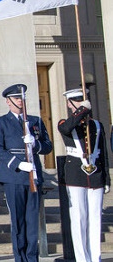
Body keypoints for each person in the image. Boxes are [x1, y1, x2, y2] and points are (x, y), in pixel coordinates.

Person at [0, 84, 53, 262]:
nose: (20, 101)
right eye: (17, 98)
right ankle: (20, 257)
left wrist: (36, 144)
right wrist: (18, 164)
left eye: (22, 98)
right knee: (18, 221)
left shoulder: (35, 121)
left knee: (32, 221)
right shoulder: (1, 121)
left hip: (33, 176)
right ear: (8, 101)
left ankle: (32, 258)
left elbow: (48, 146)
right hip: (14, 176)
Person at [58, 88, 110, 262]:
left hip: (95, 174)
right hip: (75, 175)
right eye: (77, 101)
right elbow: (67, 128)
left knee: (95, 218)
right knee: (79, 218)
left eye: (83, 100)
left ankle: (96, 257)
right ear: (69, 104)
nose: (81, 103)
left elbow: (103, 153)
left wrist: (107, 179)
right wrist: (81, 111)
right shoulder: (65, 122)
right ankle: (82, 258)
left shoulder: (96, 125)